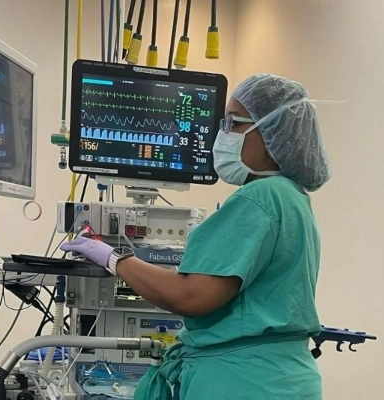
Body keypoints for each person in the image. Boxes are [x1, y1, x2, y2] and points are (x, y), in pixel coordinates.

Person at [61, 73, 331, 400]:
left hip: (243, 382)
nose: (222, 133)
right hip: (280, 379)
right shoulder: (292, 198)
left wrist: (112, 257)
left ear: (270, 132)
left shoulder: (260, 198)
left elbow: (191, 296)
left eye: (233, 123)